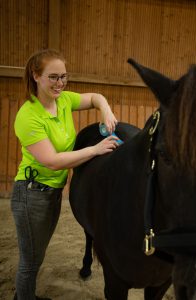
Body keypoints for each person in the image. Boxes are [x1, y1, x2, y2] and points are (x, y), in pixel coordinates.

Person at [11, 49, 119, 300]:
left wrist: (106, 110)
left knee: (38, 255)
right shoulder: (28, 115)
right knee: (30, 262)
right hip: (31, 195)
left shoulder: (63, 101)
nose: (60, 83)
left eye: (64, 77)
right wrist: (95, 149)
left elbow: (95, 97)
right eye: (53, 77)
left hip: (52, 192)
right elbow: (52, 161)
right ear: (36, 76)